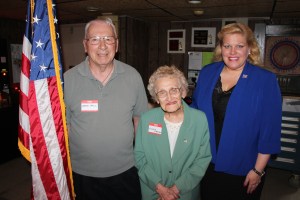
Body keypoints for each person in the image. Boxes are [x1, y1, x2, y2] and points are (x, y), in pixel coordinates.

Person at [191, 23, 282, 200]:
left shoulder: (265, 80)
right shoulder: (208, 73)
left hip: (244, 167)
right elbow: (195, 110)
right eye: (227, 46)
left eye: (239, 46)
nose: (233, 52)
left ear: (249, 49)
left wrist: (258, 170)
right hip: (206, 161)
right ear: (221, 48)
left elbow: (269, 131)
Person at [64, 17, 148, 200]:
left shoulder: (132, 76)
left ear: (116, 45)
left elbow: (139, 119)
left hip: (125, 171)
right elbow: (65, 126)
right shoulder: (67, 80)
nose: (102, 46)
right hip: (82, 173)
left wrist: (141, 159)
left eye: (108, 39)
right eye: (95, 39)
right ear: (85, 45)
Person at [134, 65, 212, 200]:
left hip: (185, 193)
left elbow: (202, 159)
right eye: (162, 93)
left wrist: (176, 189)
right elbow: (139, 158)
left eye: (174, 90)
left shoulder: (199, 119)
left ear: (183, 92)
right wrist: (160, 188)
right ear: (156, 98)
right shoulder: (147, 119)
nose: (169, 97)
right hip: (153, 193)